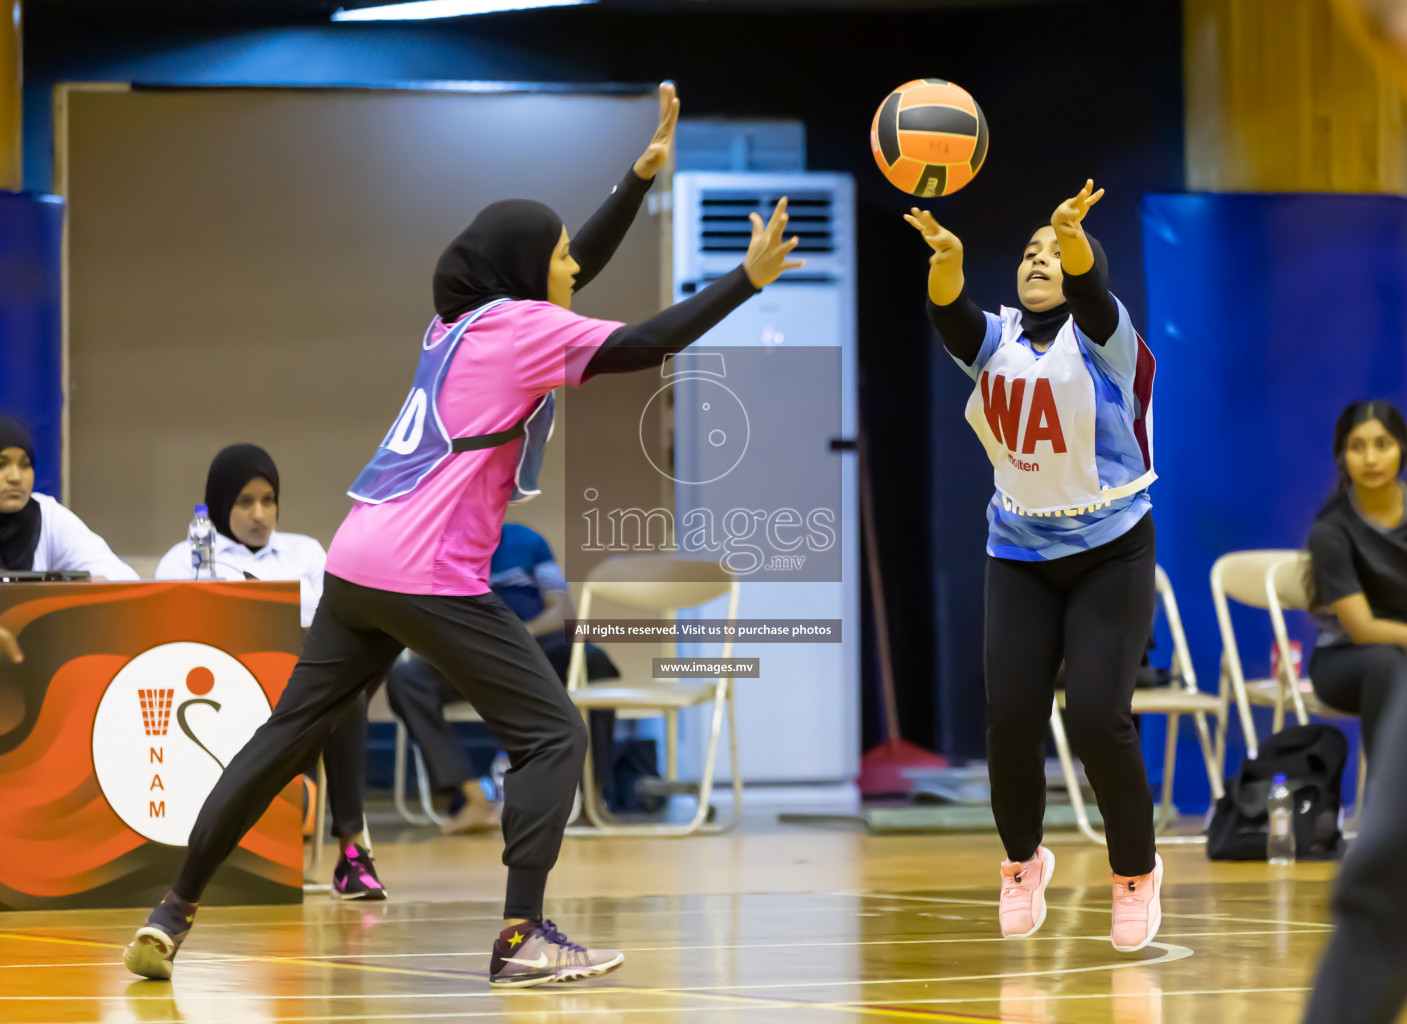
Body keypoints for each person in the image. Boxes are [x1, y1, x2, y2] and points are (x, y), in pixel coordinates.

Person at [124, 82, 804, 988]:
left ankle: (172, 915)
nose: (571, 264)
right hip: (426, 569)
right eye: (558, 254)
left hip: (357, 557)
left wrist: (636, 183)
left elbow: (565, 273)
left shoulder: (454, 324)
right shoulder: (524, 329)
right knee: (554, 731)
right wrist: (743, 281)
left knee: (282, 738)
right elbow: (640, 344)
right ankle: (522, 933)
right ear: (530, 269)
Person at [909, 180, 1162, 952]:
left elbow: (1090, 291)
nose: (1039, 261)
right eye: (1028, 253)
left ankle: (1134, 873)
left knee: (1095, 717)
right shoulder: (999, 340)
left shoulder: (1106, 338)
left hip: (1109, 548)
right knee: (1011, 720)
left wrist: (1070, 234)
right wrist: (946, 262)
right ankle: (1022, 862)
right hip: (1016, 548)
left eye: (1052, 255)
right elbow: (949, 315)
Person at [155, 443, 384, 900]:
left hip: (299, 688)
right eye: (244, 502)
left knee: (348, 692)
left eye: (268, 500)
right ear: (219, 504)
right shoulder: (186, 558)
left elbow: (338, 626)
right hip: (216, 693)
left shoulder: (306, 553)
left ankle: (352, 853)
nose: (259, 514)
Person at [387, 521, 621, 835]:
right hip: (471, 655)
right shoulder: (437, 547)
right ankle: (473, 800)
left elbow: (562, 608)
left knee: (594, 663)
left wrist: (523, 636)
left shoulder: (530, 541)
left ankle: (594, 798)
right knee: (407, 679)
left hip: (533, 646)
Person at [1305, 401, 1407, 759]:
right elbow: (1362, 629)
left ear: (1402, 449)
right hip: (1345, 657)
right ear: (1341, 457)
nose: (1370, 458)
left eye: (1382, 444)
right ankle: (1389, 805)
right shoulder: (1331, 529)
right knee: (1388, 664)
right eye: (1357, 447)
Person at [0, 414, 139, 581]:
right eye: (2, 464)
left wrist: (70, 588)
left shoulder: (47, 516)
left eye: (25, 465)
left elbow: (123, 578)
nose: (16, 477)